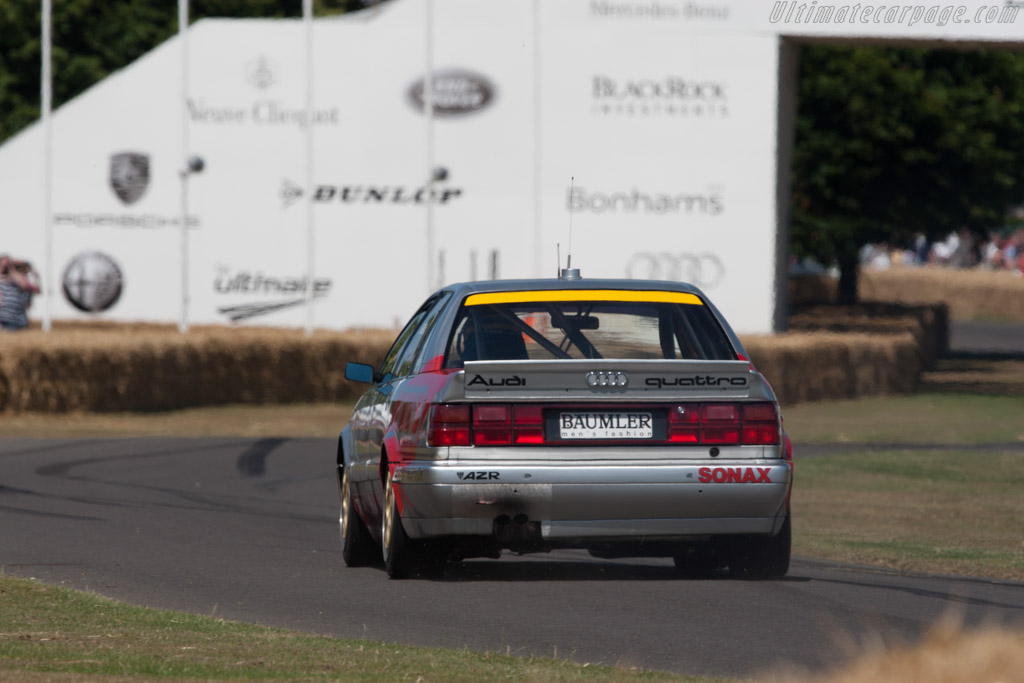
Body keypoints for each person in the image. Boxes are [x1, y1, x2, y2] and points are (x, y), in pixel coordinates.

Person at [0, 255, 40, 331]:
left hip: (12, 320)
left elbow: (25, 285)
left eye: (8, 263)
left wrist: (11, 270)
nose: (5, 266)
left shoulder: (14, 278)